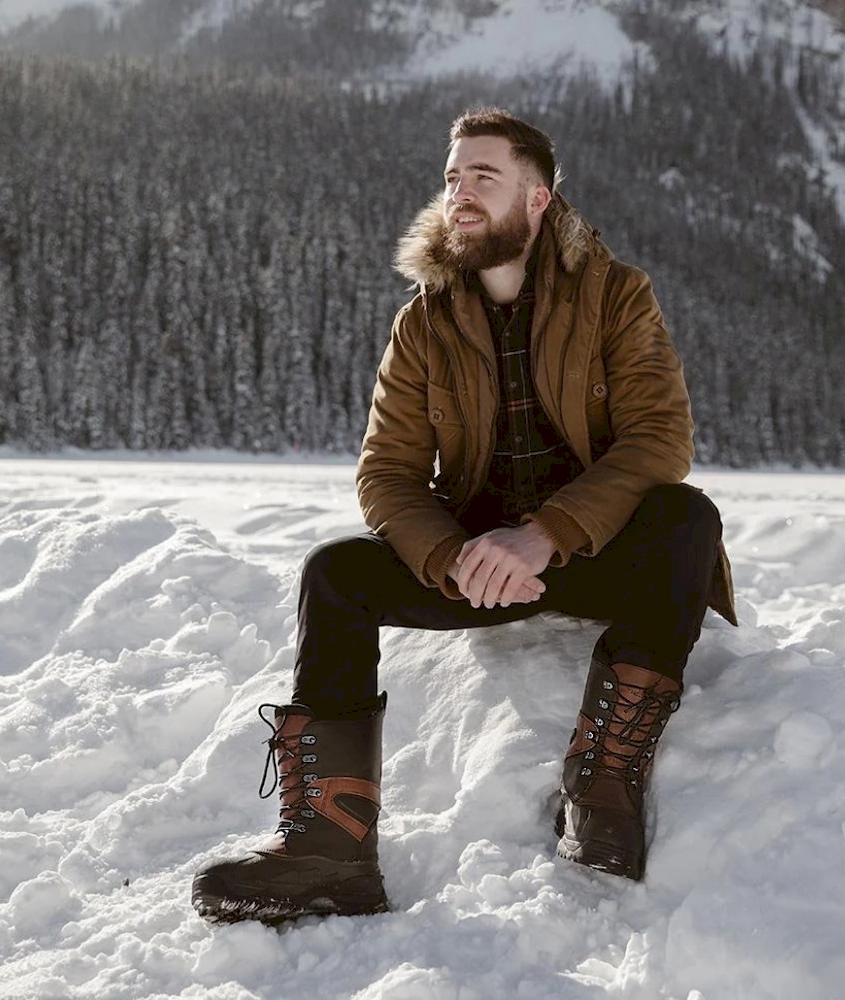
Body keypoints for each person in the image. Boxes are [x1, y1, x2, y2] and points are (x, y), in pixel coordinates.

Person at [191, 107, 737, 925]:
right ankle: (331, 851)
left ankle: (602, 788)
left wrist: (546, 534)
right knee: (335, 573)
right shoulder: (424, 321)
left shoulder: (615, 294)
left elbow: (660, 438)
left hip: (596, 554)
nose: (461, 194)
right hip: (477, 569)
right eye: (452, 178)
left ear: (539, 198)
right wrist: (451, 557)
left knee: (685, 516)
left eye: (484, 176)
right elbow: (387, 473)